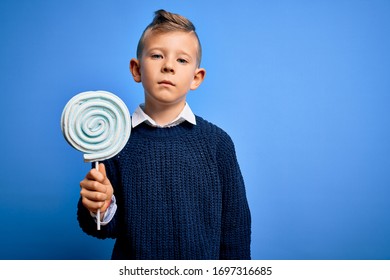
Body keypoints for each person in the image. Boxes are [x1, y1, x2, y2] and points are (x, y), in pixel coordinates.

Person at [77, 9, 251, 260]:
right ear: (136, 69)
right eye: (157, 55)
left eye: (182, 60)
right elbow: (105, 228)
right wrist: (100, 207)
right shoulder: (113, 139)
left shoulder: (217, 143)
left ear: (196, 77)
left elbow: (236, 228)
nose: (168, 66)